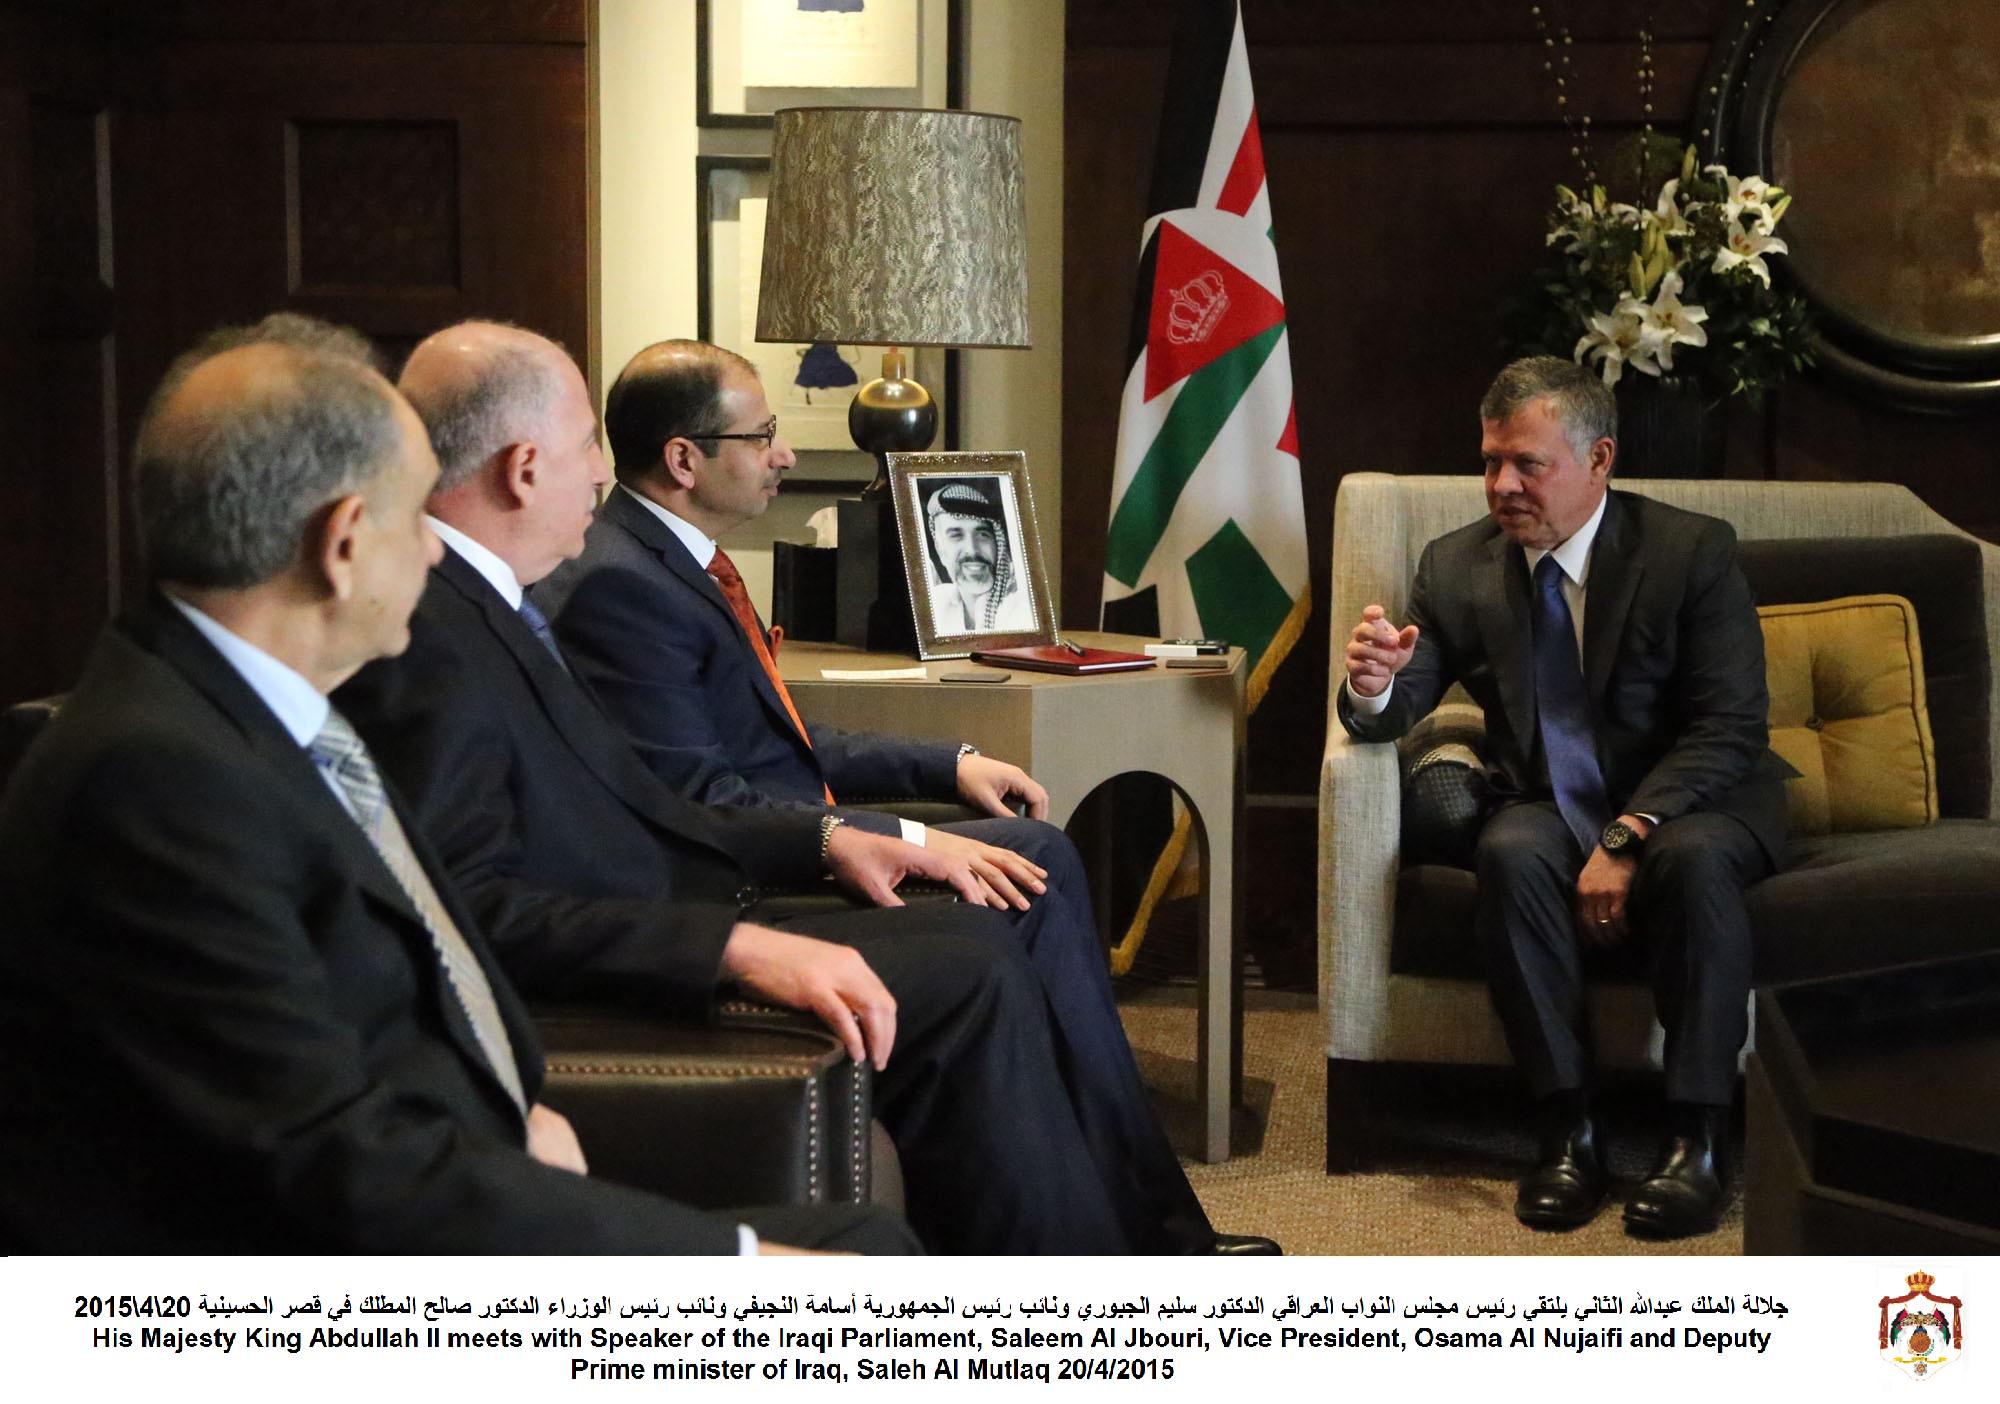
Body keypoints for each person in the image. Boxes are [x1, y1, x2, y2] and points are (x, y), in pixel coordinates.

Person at [0, 320, 913, 1254]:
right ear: (344, 543)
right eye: (412, 518)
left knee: (874, 1245)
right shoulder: (157, 784)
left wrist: (517, 1112)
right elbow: (335, 1169)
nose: (436, 555)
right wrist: (741, 1268)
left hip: (447, 1179)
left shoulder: (236, 712)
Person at [333, 321, 1246, 1254]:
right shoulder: (443, 634)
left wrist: (850, 829)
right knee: (975, 960)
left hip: (690, 891)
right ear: (525, 469)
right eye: (585, 449)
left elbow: (657, 792)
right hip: (650, 950)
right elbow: (478, 900)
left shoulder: (496, 603)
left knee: (985, 933)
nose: (602, 474)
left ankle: (1123, 1252)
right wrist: (738, 941)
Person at [1337, 355, 1791, 1239]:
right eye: (1490, 462)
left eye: (1527, 464)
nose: (1501, 486)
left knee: (1694, 862)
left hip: (1694, 797)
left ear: (1599, 459)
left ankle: (1696, 1139)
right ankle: (1567, 1129)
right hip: (1550, 800)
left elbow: (1730, 726)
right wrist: (1375, 684)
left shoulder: (1690, 551)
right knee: (1509, 852)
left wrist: (1626, 836)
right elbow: (1396, 706)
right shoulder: (1456, 564)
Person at [922, 478, 1036, 634]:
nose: (972, 550)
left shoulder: (1021, 607)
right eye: (956, 536)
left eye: (983, 534)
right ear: (940, 551)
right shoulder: (936, 604)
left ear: (997, 544)